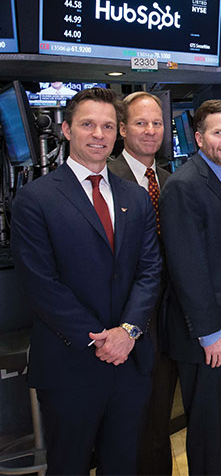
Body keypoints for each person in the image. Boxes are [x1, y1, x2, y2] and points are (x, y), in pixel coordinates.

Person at [11, 88, 160, 474]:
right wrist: (100, 338)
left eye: (108, 126)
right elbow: (41, 284)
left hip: (130, 362)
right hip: (71, 364)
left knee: (124, 463)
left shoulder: (135, 198)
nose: (99, 134)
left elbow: (150, 270)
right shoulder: (35, 199)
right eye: (88, 124)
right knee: (69, 465)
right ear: (66, 129)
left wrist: (127, 332)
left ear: (117, 132)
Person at [159, 99, 221, 475]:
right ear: (199, 138)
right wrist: (208, 332)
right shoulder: (185, 185)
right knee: (207, 429)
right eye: (219, 132)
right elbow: (187, 266)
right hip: (208, 333)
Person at [108, 91, 177, 475]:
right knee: (127, 424)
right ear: (122, 129)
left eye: (157, 123)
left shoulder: (169, 180)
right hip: (123, 322)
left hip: (166, 323)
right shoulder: (109, 179)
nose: (151, 131)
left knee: (157, 420)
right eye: (140, 123)